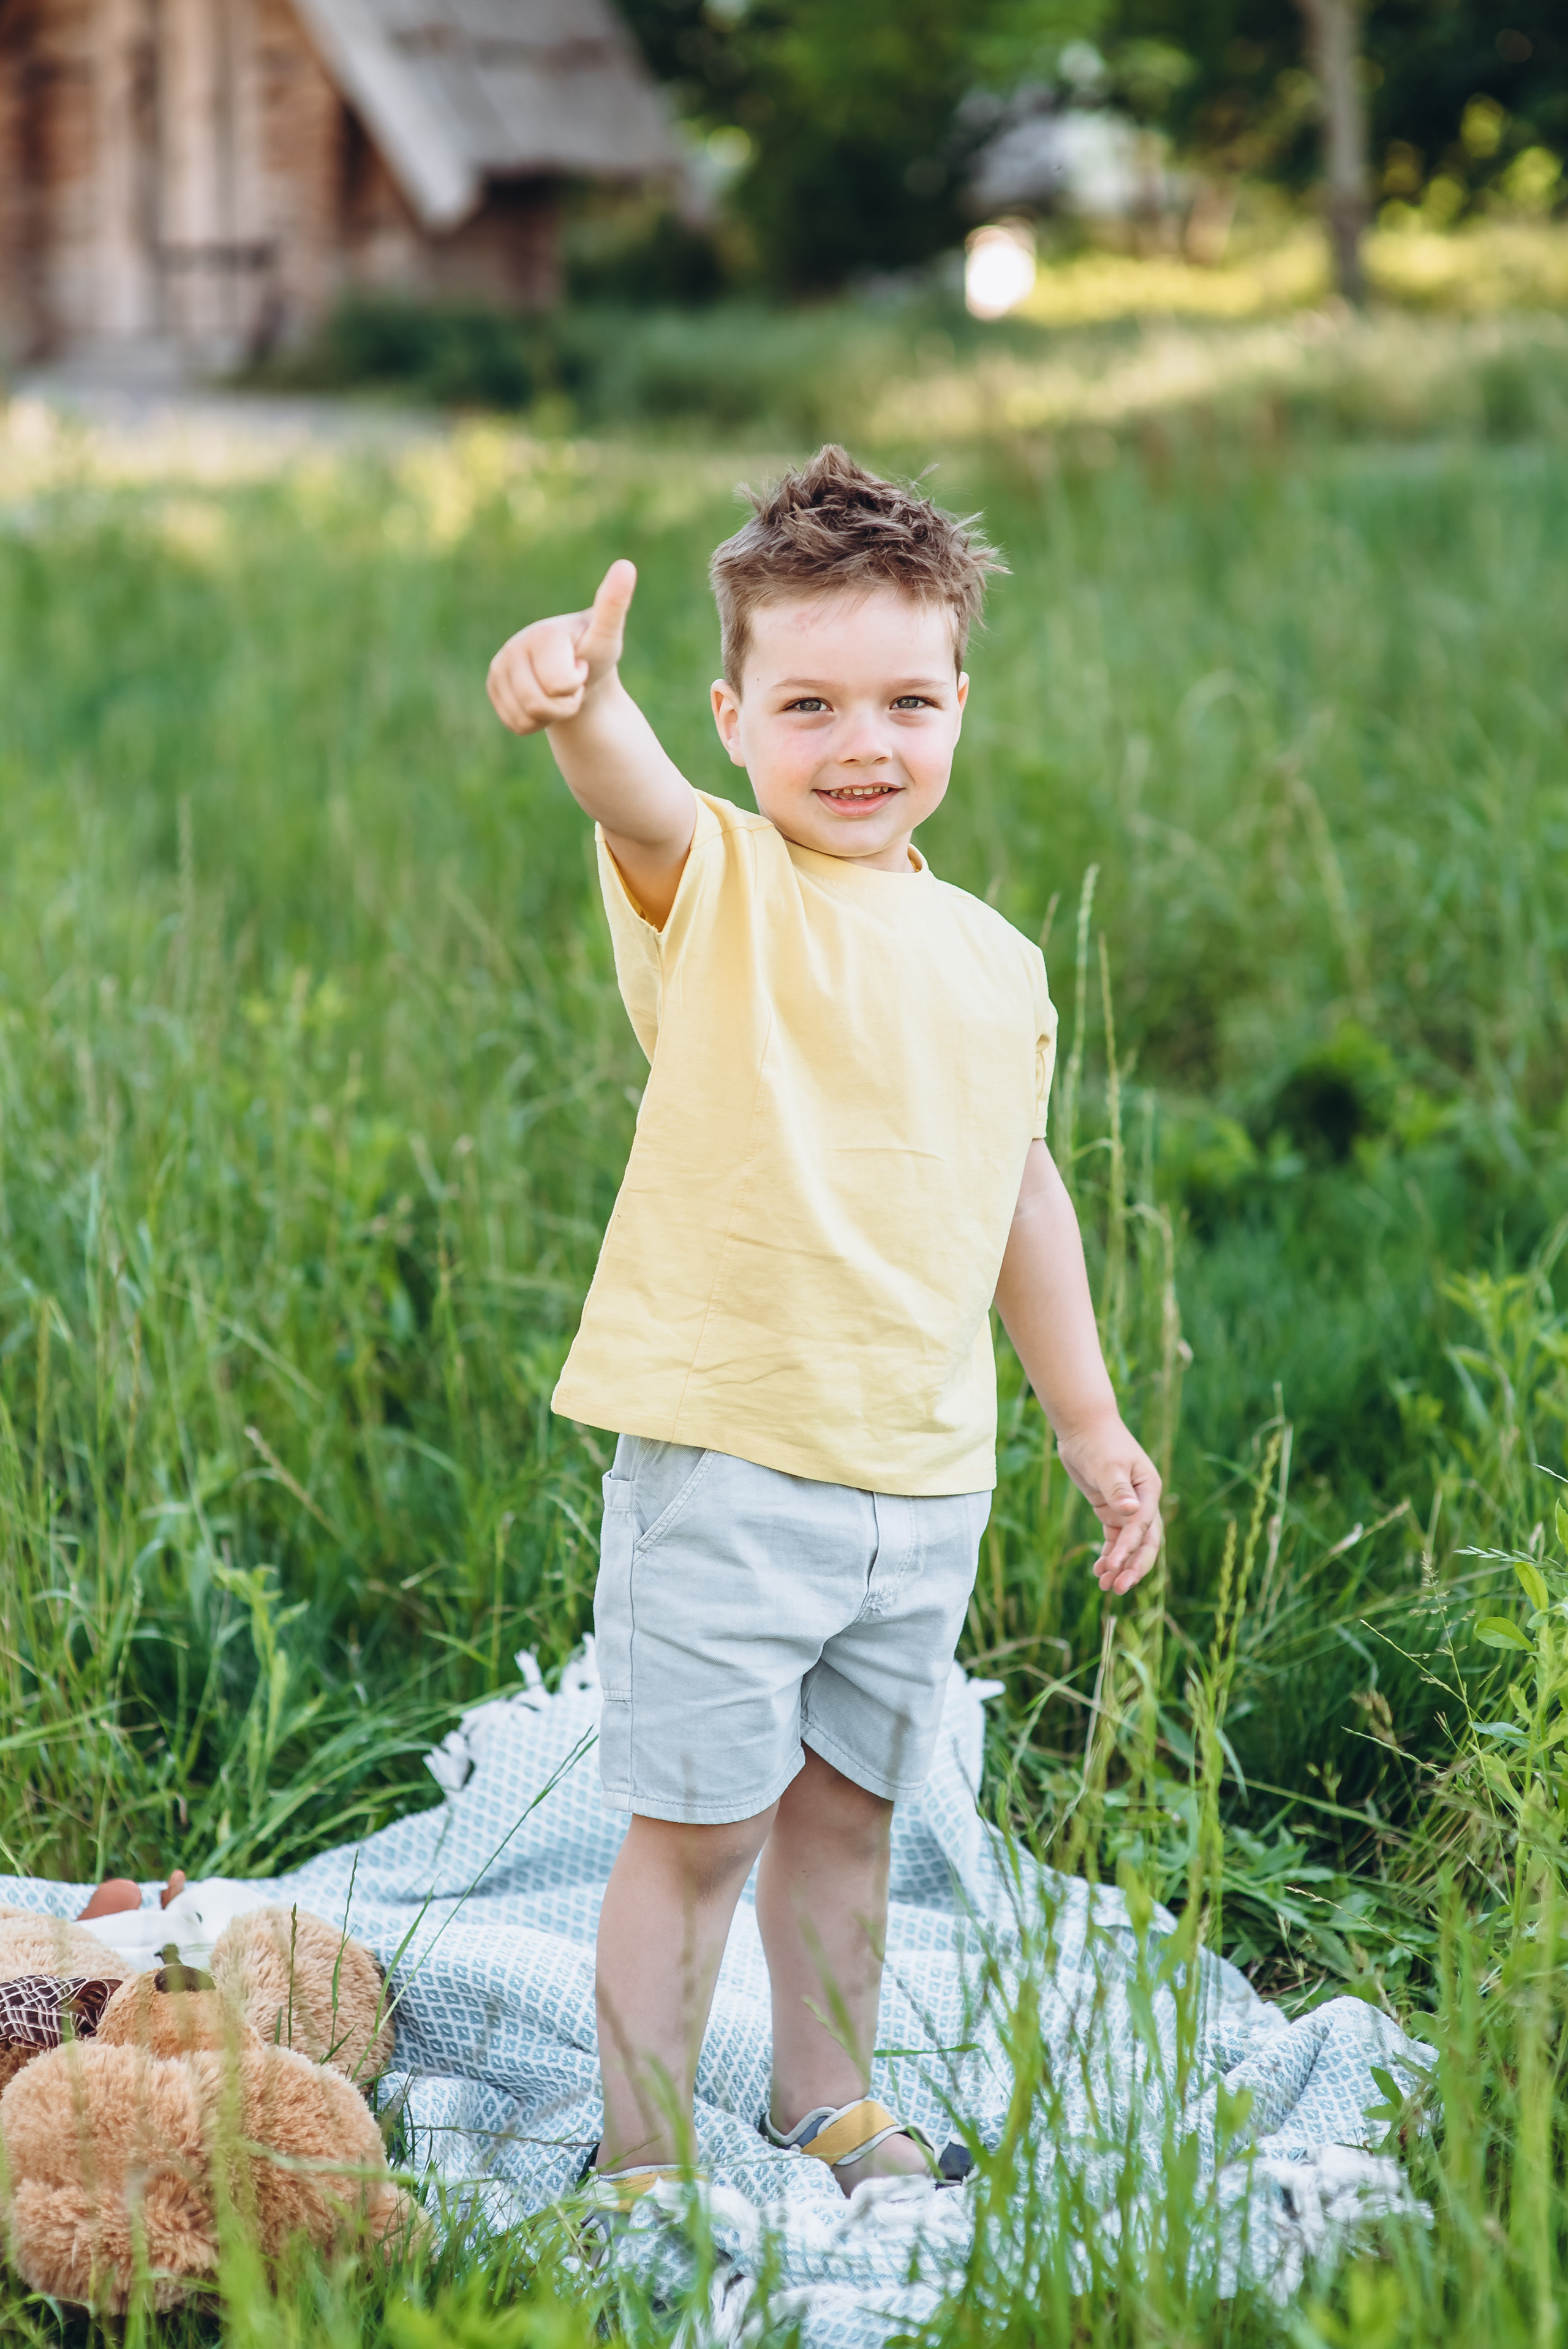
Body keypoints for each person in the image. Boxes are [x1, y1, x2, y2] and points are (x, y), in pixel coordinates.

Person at [486, 445, 1162, 2208]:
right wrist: (577, 698)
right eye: (809, 704)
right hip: (732, 1450)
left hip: (921, 1473)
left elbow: (1022, 1191)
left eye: (905, 699)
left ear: (959, 701)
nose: (862, 742)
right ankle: (645, 2158)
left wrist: (1087, 1419)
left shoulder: (996, 956)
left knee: (853, 1819)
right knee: (704, 1826)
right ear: (731, 715)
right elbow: (626, 798)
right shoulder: (725, 887)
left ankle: (826, 2097)